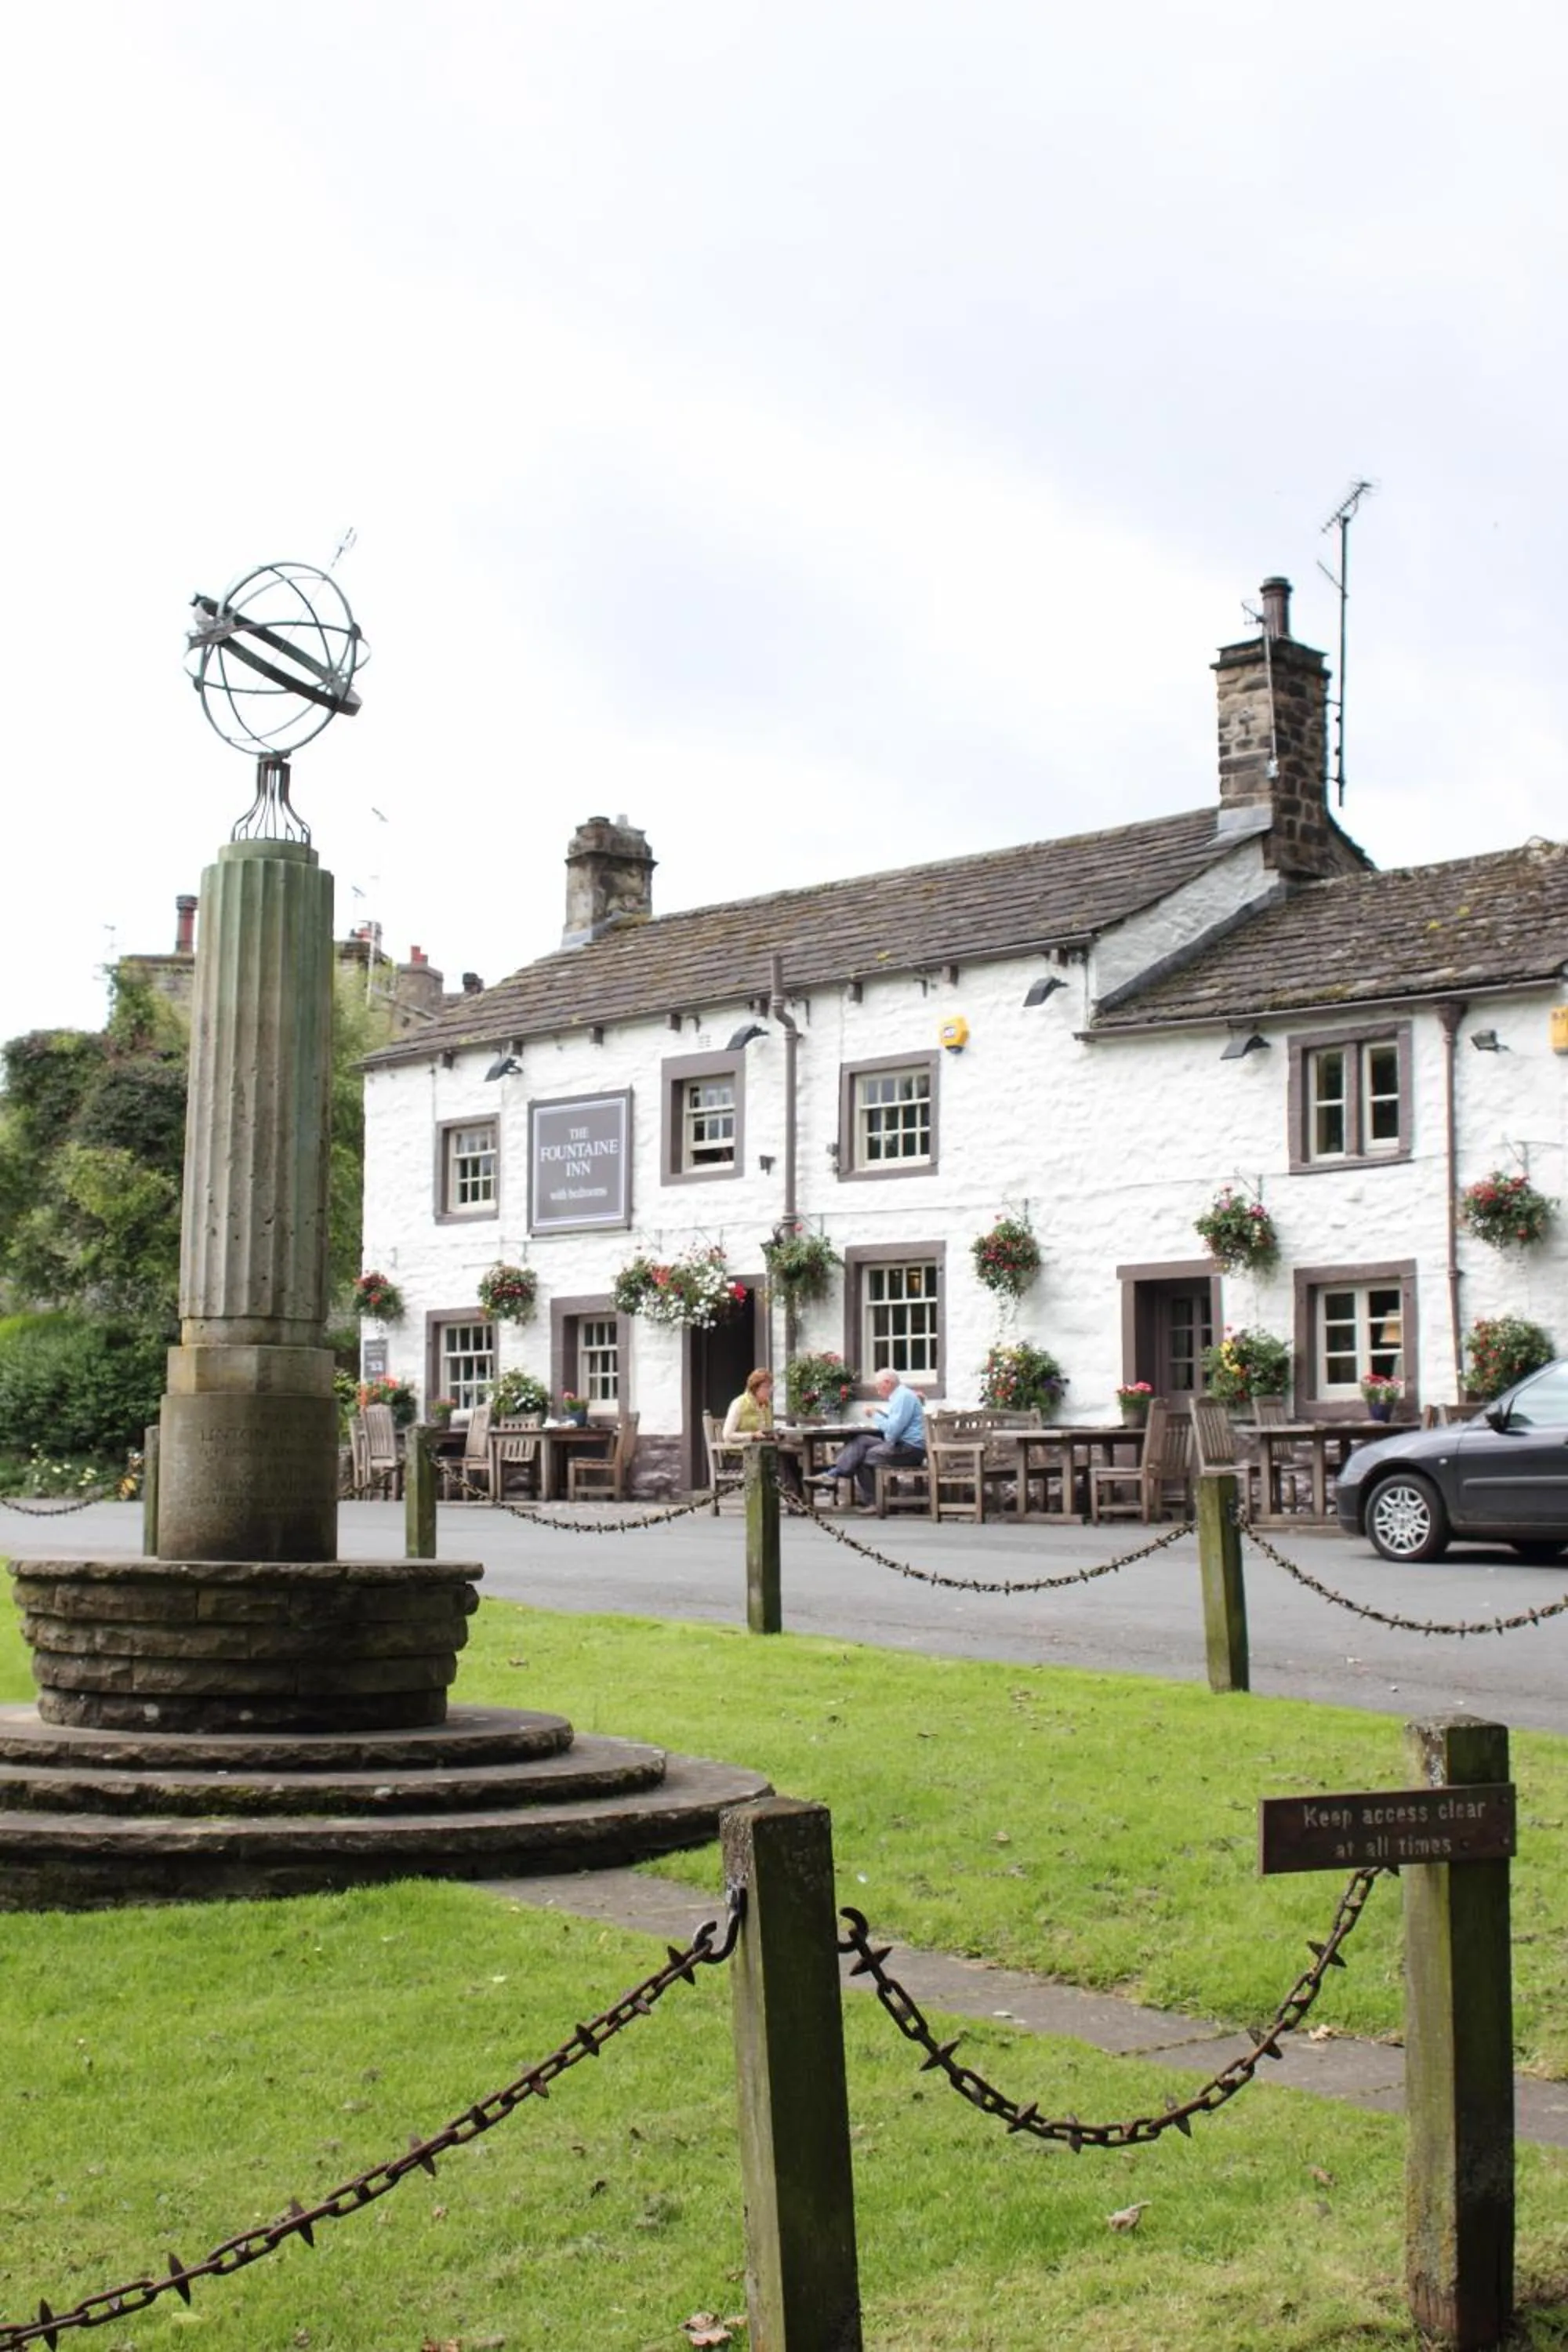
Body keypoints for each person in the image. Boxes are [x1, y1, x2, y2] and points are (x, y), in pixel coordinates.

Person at [806, 1367, 925, 1507]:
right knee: (862, 1441)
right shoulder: (901, 1396)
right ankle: (832, 1475)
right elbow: (894, 1427)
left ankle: (872, 1502)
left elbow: (893, 1432)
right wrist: (880, 1415)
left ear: (887, 1383)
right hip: (902, 1445)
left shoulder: (903, 1397)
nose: (876, 1389)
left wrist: (875, 1415)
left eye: (878, 1385)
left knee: (861, 1458)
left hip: (910, 1450)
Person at [722, 1367, 775, 1441]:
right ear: (755, 1388)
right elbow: (727, 1435)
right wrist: (752, 1435)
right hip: (742, 1450)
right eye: (766, 1387)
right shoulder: (739, 1403)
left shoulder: (766, 1405)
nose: (769, 1391)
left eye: (770, 1387)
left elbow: (766, 1431)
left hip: (761, 1449)